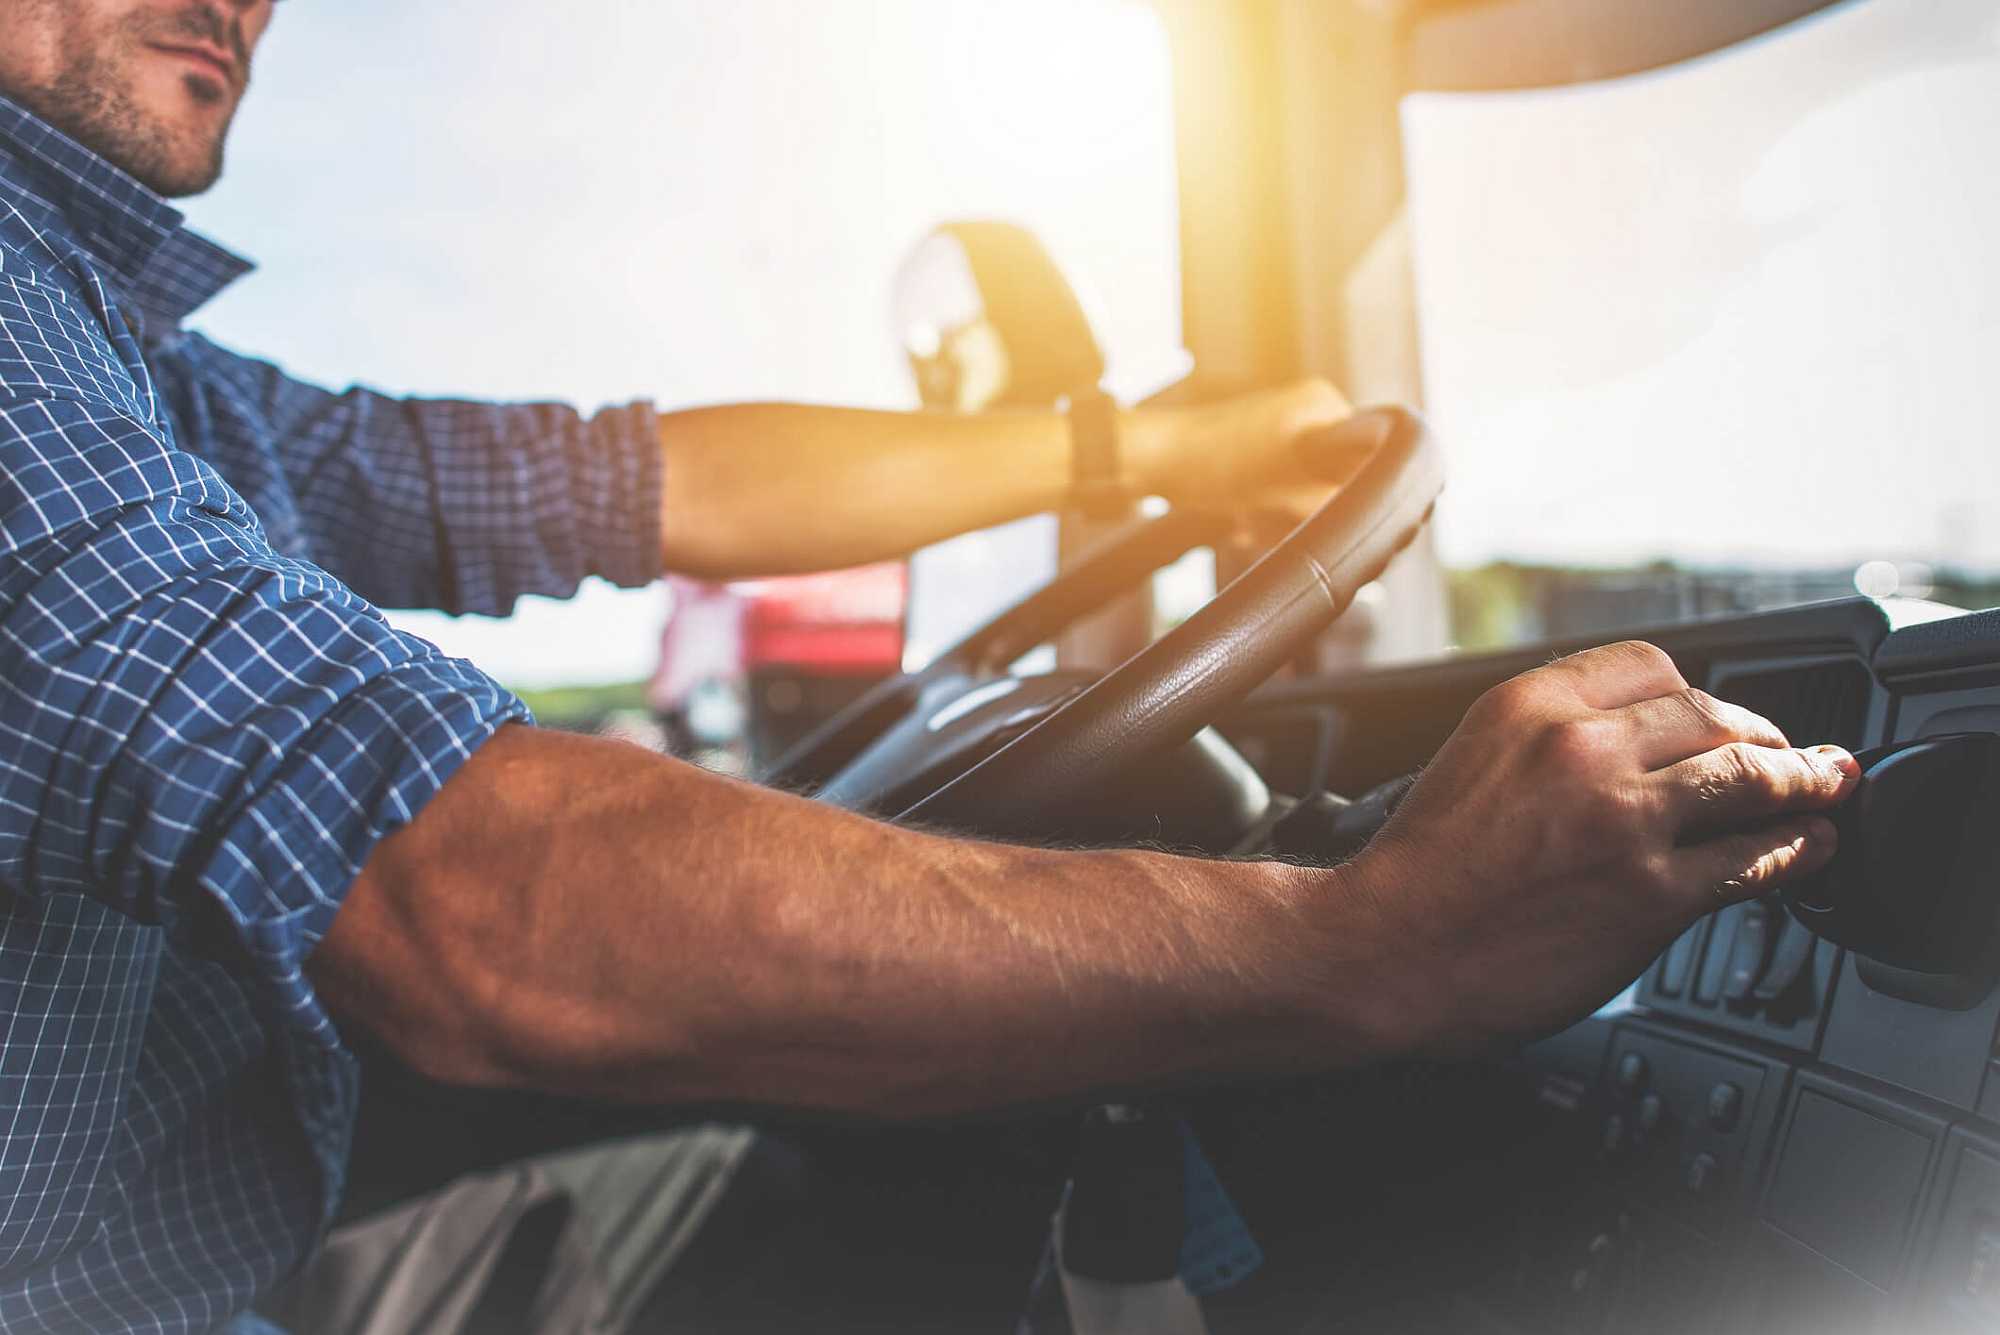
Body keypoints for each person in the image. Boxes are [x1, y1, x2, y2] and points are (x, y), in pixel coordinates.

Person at [0, 1, 1860, 1331]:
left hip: (222, 1249)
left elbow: (589, 479)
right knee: (917, 1150)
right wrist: (1375, 940)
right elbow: (461, 891)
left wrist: (1144, 458)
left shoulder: (134, 362)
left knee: (846, 1175)